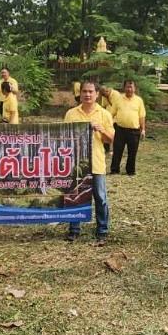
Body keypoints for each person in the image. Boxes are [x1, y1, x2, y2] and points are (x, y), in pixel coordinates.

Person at [64, 80, 115, 245]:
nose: (87, 94)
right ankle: (74, 230)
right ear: (80, 93)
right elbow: (64, 137)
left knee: (100, 198)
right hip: (76, 163)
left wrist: (101, 129)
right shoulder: (71, 114)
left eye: (91, 92)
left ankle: (102, 230)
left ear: (97, 94)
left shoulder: (104, 114)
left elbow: (111, 139)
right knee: (75, 197)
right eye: (84, 91)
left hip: (97, 163)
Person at [110, 80, 146, 176]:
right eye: (127, 87)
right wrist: (109, 126)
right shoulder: (118, 99)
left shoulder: (139, 100)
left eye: (131, 87)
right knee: (117, 150)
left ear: (135, 89)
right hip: (120, 129)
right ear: (124, 88)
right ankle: (114, 169)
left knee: (132, 152)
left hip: (134, 131)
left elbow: (141, 116)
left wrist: (143, 130)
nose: (129, 89)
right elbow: (111, 113)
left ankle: (130, 171)